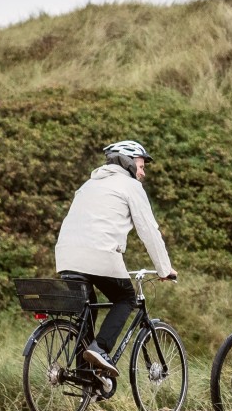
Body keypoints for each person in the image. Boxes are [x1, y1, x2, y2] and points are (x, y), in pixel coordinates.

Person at [53, 140, 178, 385]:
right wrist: (164, 269)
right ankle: (100, 350)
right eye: (141, 166)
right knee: (126, 299)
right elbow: (149, 232)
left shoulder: (88, 185)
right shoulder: (130, 186)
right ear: (129, 163)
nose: (143, 172)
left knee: (86, 313)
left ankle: (87, 379)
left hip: (66, 257)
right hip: (99, 255)